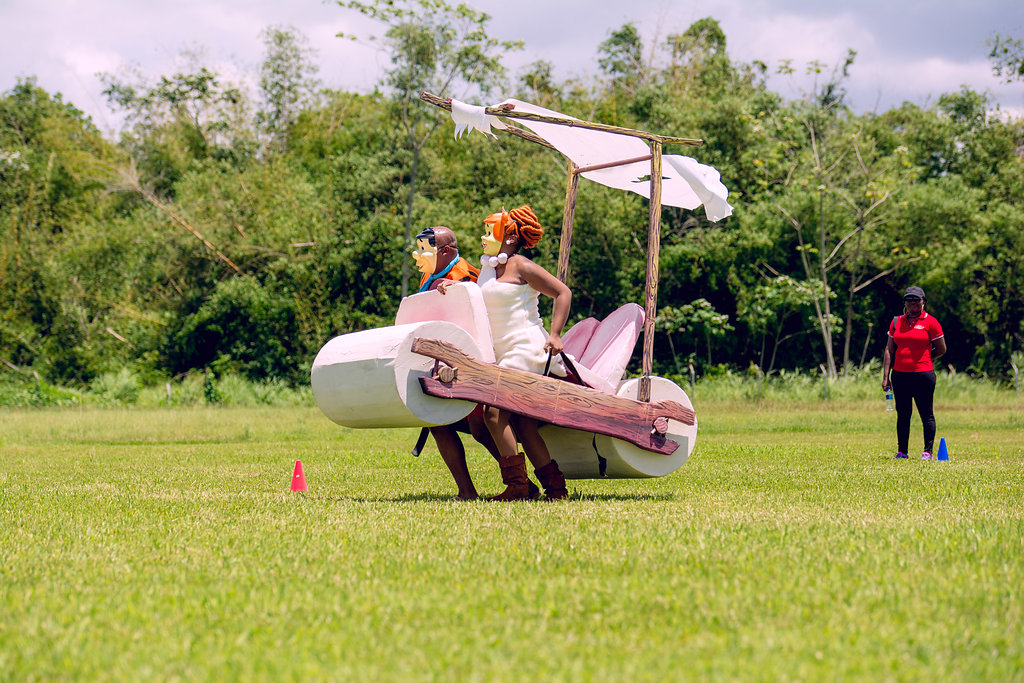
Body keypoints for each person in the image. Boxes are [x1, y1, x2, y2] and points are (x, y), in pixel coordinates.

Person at [411, 225, 539, 500]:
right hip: (440, 358)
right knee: (438, 423)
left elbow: (478, 317)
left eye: (425, 248)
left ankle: (521, 486)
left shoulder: (465, 275)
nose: (418, 254)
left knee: (481, 426)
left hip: (470, 360)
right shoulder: (429, 273)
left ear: (445, 251)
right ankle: (469, 490)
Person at [477, 206, 571, 501]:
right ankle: (556, 489)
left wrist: (555, 334)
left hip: (526, 348)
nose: (483, 237)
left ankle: (518, 486)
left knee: (493, 413)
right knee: (524, 423)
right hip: (503, 351)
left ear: (510, 237)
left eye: (490, 231)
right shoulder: (489, 267)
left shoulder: (521, 266)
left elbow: (563, 292)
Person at [881, 286, 947, 459]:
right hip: (900, 375)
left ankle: (927, 451)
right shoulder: (896, 322)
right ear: (905, 302)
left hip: (923, 375)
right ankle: (902, 451)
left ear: (923, 301)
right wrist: (886, 376)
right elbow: (889, 350)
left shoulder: (931, 322)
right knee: (903, 414)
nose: (913, 303)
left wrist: (924, 358)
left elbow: (941, 349)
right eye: (909, 300)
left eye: (916, 299)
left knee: (926, 414)